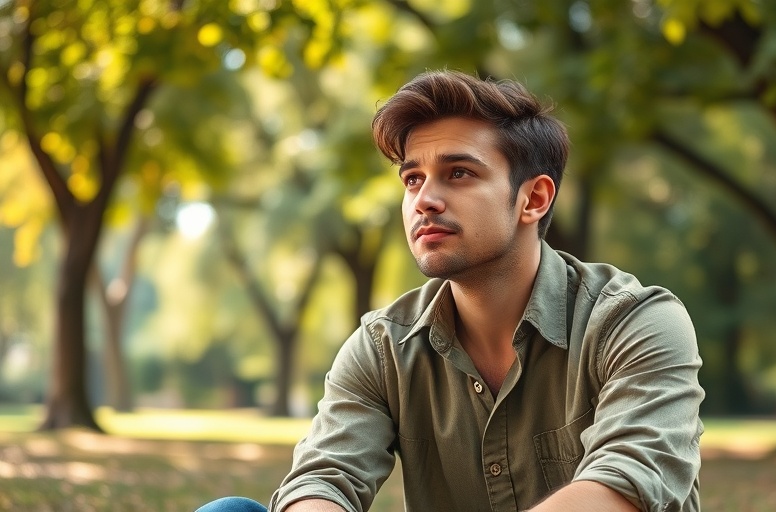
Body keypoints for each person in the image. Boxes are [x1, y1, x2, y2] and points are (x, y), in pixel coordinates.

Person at [197, 70, 704, 512]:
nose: (425, 200)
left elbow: (627, 485)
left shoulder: (634, 322)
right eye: (412, 179)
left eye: (458, 173)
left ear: (534, 198)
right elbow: (323, 477)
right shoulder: (383, 349)